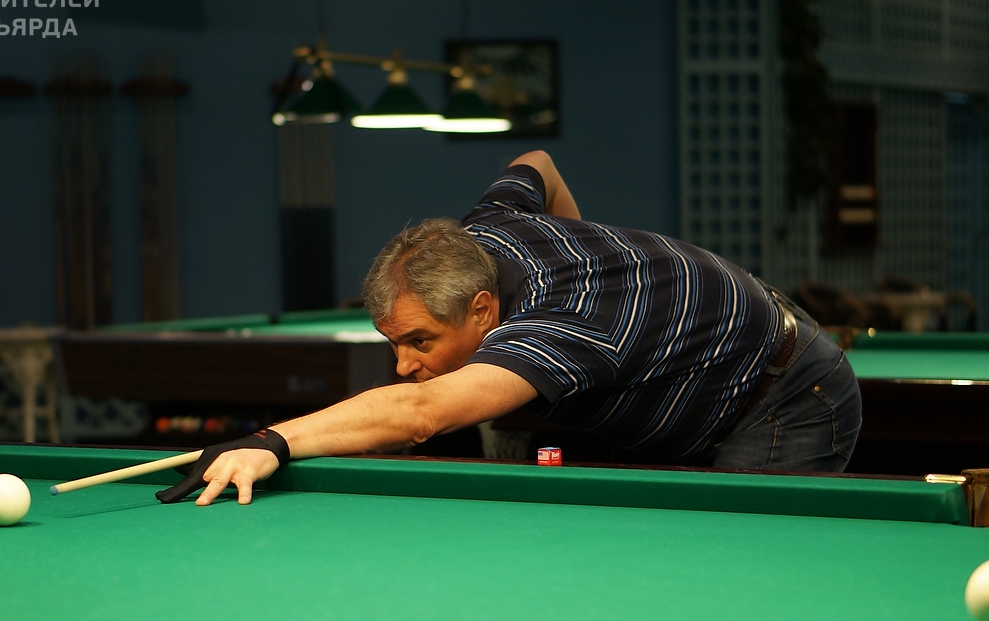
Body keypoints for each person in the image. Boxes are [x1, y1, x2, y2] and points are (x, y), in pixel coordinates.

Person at [157, 151, 862, 507]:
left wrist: (271, 440)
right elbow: (538, 164)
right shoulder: (487, 230)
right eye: (394, 342)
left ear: (483, 310)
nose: (403, 364)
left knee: (728, 567)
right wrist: (585, 242)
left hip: (783, 394)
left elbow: (421, 414)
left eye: (420, 341)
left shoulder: (563, 322)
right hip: (714, 357)